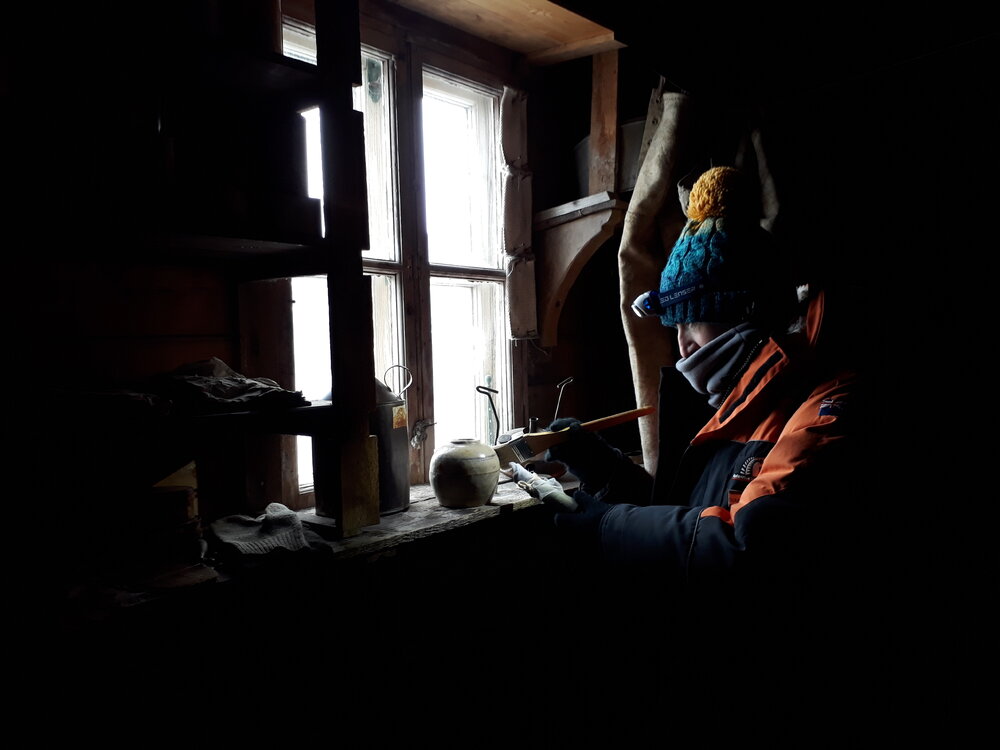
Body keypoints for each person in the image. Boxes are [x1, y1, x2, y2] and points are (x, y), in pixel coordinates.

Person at [528, 165, 873, 614]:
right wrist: (603, 469)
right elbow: (689, 514)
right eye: (674, 325)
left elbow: (749, 550)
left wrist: (609, 528)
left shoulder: (828, 404)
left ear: (746, 312)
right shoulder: (734, 398)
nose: (682, 345)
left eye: (693, 320)